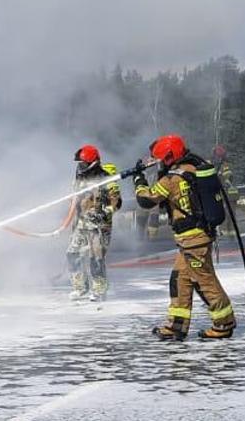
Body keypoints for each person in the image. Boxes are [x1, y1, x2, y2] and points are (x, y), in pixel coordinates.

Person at [130, 134, 235, 340]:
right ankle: (176, 326)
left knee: (205, 282)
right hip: (192, 238)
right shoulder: (192, 168)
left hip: (193, 239)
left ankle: (224, 324)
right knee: (180, 280)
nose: (160, 164)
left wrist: (138, 179)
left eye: (161, 160)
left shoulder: (172, 179)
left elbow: (147, 200)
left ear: (169, 157)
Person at [67, 144, 121, 302]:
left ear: (92, 164)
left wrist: (105, 212)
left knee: (96, 257)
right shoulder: (79, 179)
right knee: (72, 253)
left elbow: (117, 202)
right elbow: (74, 200)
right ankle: (79, 287)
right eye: (79, 163)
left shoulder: (106, 179)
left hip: (99, 226)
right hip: (82, 224)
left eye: (83, 163)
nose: (80, 166)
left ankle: (99, 289)